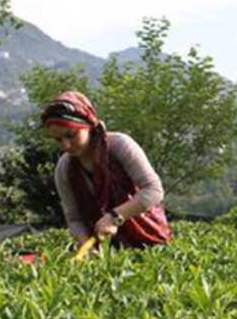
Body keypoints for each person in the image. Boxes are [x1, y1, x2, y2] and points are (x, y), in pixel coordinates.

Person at [42, 90, 172, 248]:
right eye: (58, 139)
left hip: (148, 238)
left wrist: (114, 217)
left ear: (88, 126)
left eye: (71, 135)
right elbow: (75, 218)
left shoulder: (120, 145)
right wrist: (86, 246)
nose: (65, 145)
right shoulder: (65, 168)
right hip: (106, 247)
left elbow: (154, 191)